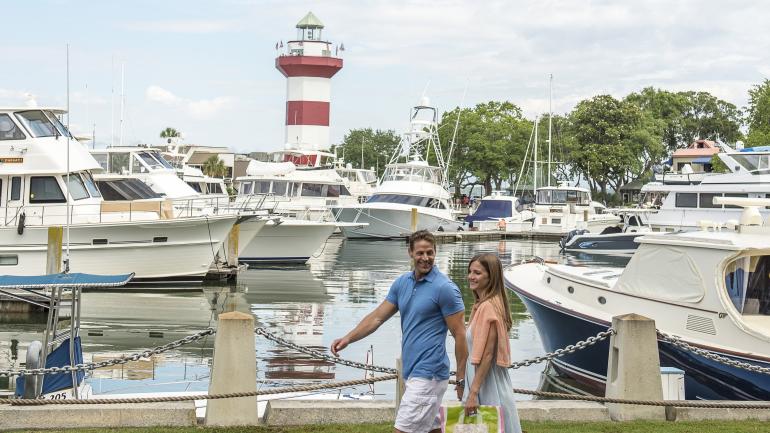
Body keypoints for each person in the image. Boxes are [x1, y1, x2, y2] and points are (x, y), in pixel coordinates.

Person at [331, 230, 468, 433]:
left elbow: (460, 335)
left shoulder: (445, 288)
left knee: (402, 430)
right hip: (412, 370)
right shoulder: (402, 283)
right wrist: (348, 338)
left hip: (429, 373)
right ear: (410, 253)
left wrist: (461, 379)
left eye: (430, 253)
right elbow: (377, 317)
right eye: (420, 253)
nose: (425, 258)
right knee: (431, 429)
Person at [463, 253, 521, 433]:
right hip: (482, 379)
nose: (471, 277)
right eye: (470, 271)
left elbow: (487, 355)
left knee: (492, 427)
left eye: (477, 273)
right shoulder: (483, 305)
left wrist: (473, 393)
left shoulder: (488, 307)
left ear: (491, 276)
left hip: (488, 383)